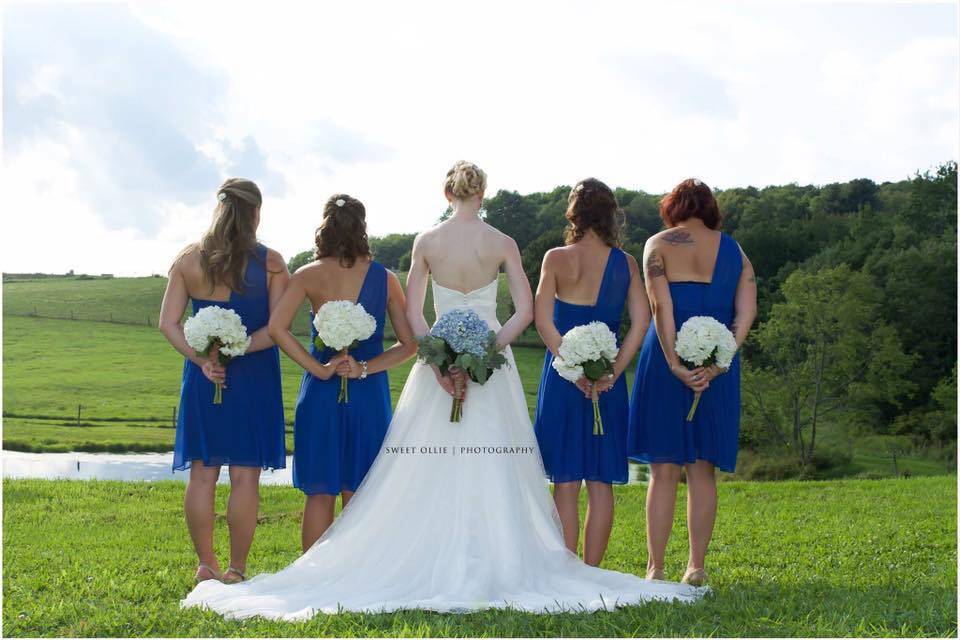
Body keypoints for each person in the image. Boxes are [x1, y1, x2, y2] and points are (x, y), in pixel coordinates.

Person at [182, 162, 704, 620]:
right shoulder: (502, 242)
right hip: (488, 372)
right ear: (482, 194)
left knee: (421, 466)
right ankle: (523, 560)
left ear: (447, 194)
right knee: (494, 465)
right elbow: (523, 311)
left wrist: (439, 359)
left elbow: (412, 313)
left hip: (435, 374)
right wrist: (490, 349)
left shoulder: (427, 242)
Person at [267, 193, 417, 552]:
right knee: (360, 489)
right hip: (368, 394)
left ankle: (313, 576)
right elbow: (409, 345)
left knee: (319, 491)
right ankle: (353, 577)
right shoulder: (385, 278)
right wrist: (364, 368)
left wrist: (319, 369)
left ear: (325, 228)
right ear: (362, 228)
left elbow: (276, 328)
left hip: (320, 392)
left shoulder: (308, 275)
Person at [627, 178, 757, 586]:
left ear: (673, 208)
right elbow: (747, 313)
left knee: (663, 469)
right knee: (702, 470)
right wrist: (721, 362)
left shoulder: (658, 244)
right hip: (717, 366)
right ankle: (696, 566)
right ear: (710, 209)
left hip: (665, 362)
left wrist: (673, 363)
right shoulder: (736, 251)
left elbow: (660, 305)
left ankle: (656, 568)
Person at [159, 178, 289, 585]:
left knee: (203, 473)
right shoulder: (271, 262)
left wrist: (203, 361)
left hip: (204, 378)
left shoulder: (189, 261)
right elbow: (277, 329)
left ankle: (205, 565)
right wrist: (239, 349)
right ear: (256, 212)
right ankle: (235, 569)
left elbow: (168, 323)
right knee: (245, 475)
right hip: (253, 378)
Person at [533, 178, 649, 566]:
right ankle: (592, 572)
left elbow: (542, 320)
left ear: (574, 214)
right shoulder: (626, 264)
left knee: (564, 483)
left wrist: (569, 365)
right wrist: (613, 371)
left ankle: (566, 571)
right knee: (600, 483)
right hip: (608, 384)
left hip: (563, 382)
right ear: (611, 214)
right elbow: (641, 321)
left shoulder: (555, 258)